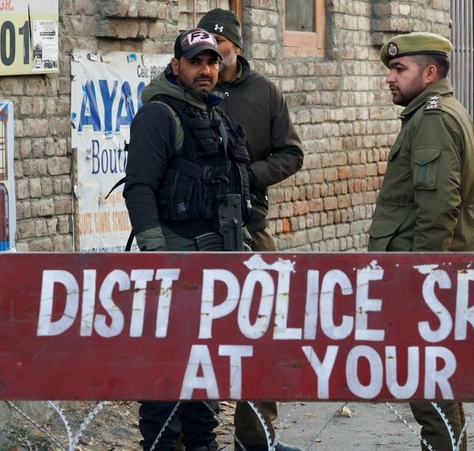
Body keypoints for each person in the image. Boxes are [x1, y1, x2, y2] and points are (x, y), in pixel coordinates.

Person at [124, 28, 251, 451]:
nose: (205, 70)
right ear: (176, 66)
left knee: (205, 366)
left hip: (215, 258)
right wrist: (157, 256)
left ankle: (201, 444)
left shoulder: (214, 113)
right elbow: (139, 188)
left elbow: (230, 187)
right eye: (195, 62)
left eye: (212, 62)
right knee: (168, 369)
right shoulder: (160, 115)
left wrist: (243, 246)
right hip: (176, 259)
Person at [195, 8, 305, 451]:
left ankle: (256, 439)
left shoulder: (264, 93)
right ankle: (196, 436)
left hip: (250, 223)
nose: (211, 64)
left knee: (266, 328)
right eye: (203, 54)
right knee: (197, 333)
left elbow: (292, 154)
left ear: (236, 48)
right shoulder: (185, 90)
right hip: (196, 229)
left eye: (218, 52)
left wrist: (247, 176)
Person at [368, 32, 474, 451]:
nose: (390, 79)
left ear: (429, 73)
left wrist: (422, 278)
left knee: (426, 378)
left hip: (420, 275)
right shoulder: (434, 113)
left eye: (400, 69)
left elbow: (437, 211)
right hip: (422, 271)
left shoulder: (433, 119)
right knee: (430, 376)